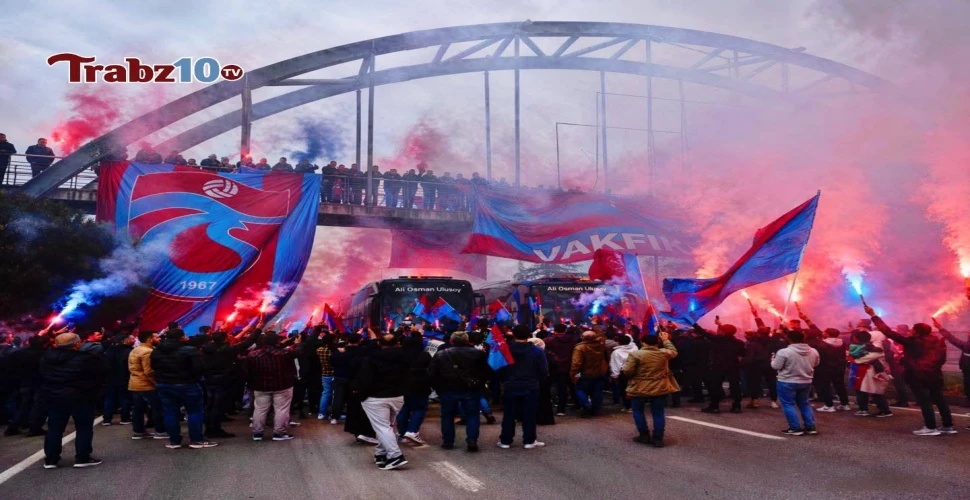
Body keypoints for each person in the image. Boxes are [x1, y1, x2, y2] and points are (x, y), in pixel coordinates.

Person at [872, 310, 955, 436]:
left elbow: (888, 332)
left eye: (913, 329)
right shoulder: (938, 342)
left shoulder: (912, 341)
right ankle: (948, 426)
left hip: (917, 375)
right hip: (935, 375)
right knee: (940, 399)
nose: (910, 331)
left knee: (924, 401)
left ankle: (930, 427)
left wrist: (873, 315)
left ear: (917, 331)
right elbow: (941, 359)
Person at [41, 333, 105, 469]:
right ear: (76, 344)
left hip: (54, 397)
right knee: (83, 428)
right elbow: (97, 377)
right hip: (81, 397)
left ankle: (51, 459)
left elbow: (42, 376)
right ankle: (82, 457)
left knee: (54, 429)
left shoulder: (46, 358)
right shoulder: (86, 359)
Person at [151, 327, 216, 449]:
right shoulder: (189, 350)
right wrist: (194, 378)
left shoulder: (156, 351)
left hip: (164, 384)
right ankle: (196, 439)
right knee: (194, 411)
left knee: (170, 412)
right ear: (181, 337)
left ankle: (174, 441)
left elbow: (153, 367)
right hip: (187, 384)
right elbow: (198, 368)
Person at [429, 331, 491, 451]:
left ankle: (448, 442)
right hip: (471, 389)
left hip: (447, 389)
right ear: (467, 340)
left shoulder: (441, 354)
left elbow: (432, 373)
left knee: (447, 416)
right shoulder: (477, 354)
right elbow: (485, 372)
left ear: (451, 341)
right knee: (473, 416)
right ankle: (472, 441)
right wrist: (480, 384)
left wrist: (437, 388)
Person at [356, 334, 410, 470]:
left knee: (382, 427)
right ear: (397, 343)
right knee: (387, 427)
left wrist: (362, 394)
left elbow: (365, 378)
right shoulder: (405, 357)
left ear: (380, 343)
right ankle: (381, 453)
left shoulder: (371, 358)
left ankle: (395, 456)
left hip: (375, 397)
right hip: (397, 396)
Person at [201, 324, 260, 439]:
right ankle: (215, 430)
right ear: (224, 339)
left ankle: (208, 429)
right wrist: (258, 329)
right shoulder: (227, 350)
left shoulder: (205, 348)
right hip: (221, 379)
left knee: (209, 404)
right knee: (217, 405)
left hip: (208, 378)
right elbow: (247, 343)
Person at [623, 332, 679, 447]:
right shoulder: (664, 353)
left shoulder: (635, 354)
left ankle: (643, 435)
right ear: (657, 343)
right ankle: (658, 438)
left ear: (643, 343)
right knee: (658, 412)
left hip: (639, 387)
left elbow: (628, 371)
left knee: (638, 411)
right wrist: (666, 339)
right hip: (660, 386)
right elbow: (673, 351)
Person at [246, 331, 303, 442]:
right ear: (277, 341)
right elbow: (298, 352)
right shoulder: (284, 353)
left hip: (260, 386)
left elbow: (248, 370)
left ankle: (257, 433)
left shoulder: (253, 355)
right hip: (282, 385)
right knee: (281, 410)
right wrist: (298, 343)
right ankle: (279, 433)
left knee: (260, 409)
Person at [498, 325, 548, 449]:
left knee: (509, 414)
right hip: (530, 385)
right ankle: (529, 440)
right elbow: (543, 370)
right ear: (529, 335)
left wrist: (504, 380)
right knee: (530, 414)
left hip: (511, 384)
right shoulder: (537, 351)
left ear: (514, 335)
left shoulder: (506, 349)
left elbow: (499, 368)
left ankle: (505, 440)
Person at [771, 330, 820, 436]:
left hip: (786, 381)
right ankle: (810, 427)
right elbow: (816, 363)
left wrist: (772, 359)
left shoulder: (784, 352)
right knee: (804, 403)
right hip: (806, 381)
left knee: (788, 404)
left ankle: (795, 428)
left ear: (788, 339)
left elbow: (776, 366)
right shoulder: (814, 351)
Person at [695, 319, 746, 414]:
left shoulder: (718, 340)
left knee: (716, 385)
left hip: (718, 366)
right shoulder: (739, 342)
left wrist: (694, 324)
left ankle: (714, 406)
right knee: (735, 386)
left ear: (724, 331)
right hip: (733, 366)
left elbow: (704, 333)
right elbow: (743, 354)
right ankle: (737, 406)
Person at [4, 335, 48, 437]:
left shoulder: (19, 353)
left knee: (24, 405)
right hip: (39, 382)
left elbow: (11, 366)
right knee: (39, 406)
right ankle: (34, 428)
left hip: (24, 381)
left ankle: (12, 428)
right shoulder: (43, 354)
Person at [128, 330, 166, 440]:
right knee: (157, 408)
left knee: (138, 409)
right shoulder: (148, 352)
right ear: (150, 339)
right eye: (157, 337)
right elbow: (149, 372)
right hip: (147, 385)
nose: (159, 339)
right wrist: (157, 383)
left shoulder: (135, 350)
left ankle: (138, 431)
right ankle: (160, 431)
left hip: (135, 383)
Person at [396, 334, 433, 446]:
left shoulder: (399, 355)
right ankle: (412, 431)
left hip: (401, 386)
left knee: (403, 409)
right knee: (419, 409)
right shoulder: (425, 355)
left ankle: (402, 433)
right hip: (420, 386)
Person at [847, 331, 893, 417]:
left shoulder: (876, 349)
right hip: (862, 373)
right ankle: (863, 409)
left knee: (876, 392)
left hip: (872, 374)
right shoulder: (865, 348)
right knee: (862, 391)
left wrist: (852, 359)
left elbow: (862, 360)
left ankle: (885, 410)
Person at [570, 330, 609, 417]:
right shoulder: (601, 345)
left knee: (580, 389)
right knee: (597, 391)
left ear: (582, 338)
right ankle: (596, 409)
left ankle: (586, 405)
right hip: (600, 371)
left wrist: (574, 374)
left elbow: (576, 363)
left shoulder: (580, 348)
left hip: (585, 373)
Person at [812, 328, 851, 412]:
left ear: (827, 334)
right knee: (840, 385)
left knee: (825, 386)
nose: (823, 333)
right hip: (840, 367)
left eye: (824, 332)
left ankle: (829, 405)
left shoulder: (822, 344)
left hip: (825, 367)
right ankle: (845, 404)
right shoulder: (842, 343)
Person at [545, 323, 577, 416]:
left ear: (554, 330)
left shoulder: (548, 341)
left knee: (555, 387)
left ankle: (553, 407)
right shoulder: (573, 340)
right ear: (565, 330)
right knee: (570, 386)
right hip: (569, 367)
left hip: (554, 367)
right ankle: (564, 408)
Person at [102, 333, 134, 426]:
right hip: (124, 377)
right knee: (125, 398)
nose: (133, 340)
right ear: (125, 340)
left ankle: (107, 419)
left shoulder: (109, 350)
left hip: (109, 378)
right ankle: (125, 418)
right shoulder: (129, 351)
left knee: (109, 399)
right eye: (130, 339)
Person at [937, 321, 970, 409]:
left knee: (968, 383)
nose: (968, 333)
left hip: (967, 367)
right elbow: (953, 339)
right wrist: (941, 329)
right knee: (967, 383)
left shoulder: (967, 345)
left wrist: (941, 329)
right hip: (966, 367)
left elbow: (953, 339)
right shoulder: (967, 344)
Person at [609, 334, 637, 412]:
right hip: (635, 371)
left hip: (623, 373)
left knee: (625, 390)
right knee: (634, 389)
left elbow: (615, 364)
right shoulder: (635, 348)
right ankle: (634, 405)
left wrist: (615, 376)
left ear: (619, 342)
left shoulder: (616, 352)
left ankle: (628, 406)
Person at [316, 331, 337, 422]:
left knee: (325, 393)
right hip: (335, 374)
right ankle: (334, 414)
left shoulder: (319, 350)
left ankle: (322, 413)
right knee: (335, 395)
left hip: (325, 373)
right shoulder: (335, 351)